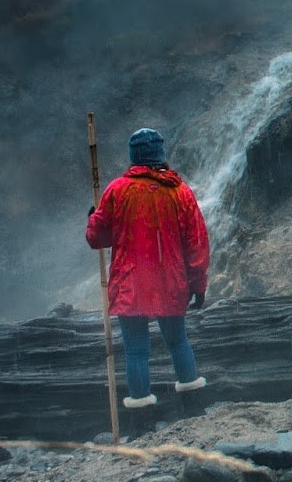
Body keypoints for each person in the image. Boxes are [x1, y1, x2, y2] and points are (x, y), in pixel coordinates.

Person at [86, 127, 210, 409]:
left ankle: (142, 417)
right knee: (178, 340)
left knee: (135, 350)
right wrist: (198, 285)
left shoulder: (117, 190)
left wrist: (93, 219)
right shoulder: (180, 192)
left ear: (134, 157)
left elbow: (98, 238)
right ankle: (194, 406)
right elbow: (197, 243)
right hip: (171, 281)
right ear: (160, 154)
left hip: (131, 283)